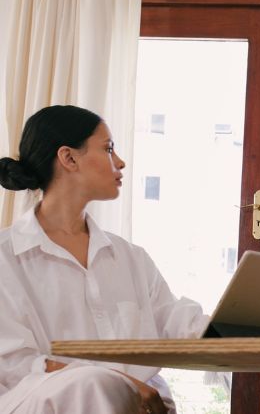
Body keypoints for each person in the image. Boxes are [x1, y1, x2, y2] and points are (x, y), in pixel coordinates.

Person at [0, 105, 208, 414]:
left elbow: (178, 322)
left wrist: (250, 327)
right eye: (109, 149)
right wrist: (120, 383)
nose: (121, 161)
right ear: (69, 158)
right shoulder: (6, 259)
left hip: (143, 407)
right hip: (42, 406)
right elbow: (16, 365)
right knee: (94, 387)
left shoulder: (130, 257)